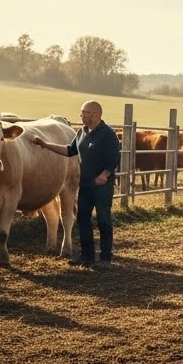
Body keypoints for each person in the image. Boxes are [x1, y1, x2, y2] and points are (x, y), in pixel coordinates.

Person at [32, 100, 120, 268]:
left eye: (85, 113)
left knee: (103, 220)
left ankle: (105, 258)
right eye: (82, 112)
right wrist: (45, 145)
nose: (82, 116)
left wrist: (104, 175)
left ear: (95, 114)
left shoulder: (108, 134)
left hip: (102, 186)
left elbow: (114, 158)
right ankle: (87, 256)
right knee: (82, 219)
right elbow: (69, 150)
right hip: (85, 184)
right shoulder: (82, 132)